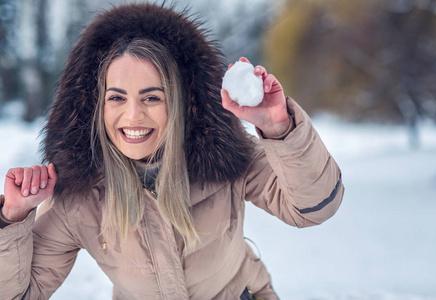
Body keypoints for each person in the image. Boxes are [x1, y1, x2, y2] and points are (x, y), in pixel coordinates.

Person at [0, 3, 344, 300]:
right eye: (117, 98)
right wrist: (12, 218)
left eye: (152, 97)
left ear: (179, 102)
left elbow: (314, 207)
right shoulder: (77, 197)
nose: (133, 116)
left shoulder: (226, 159)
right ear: (96, 106)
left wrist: (279, 128)